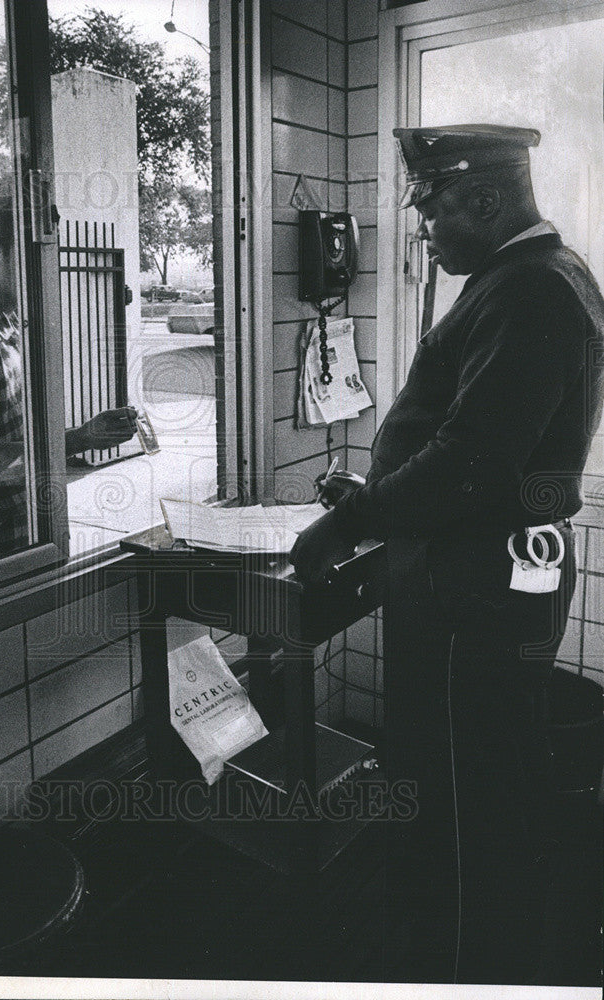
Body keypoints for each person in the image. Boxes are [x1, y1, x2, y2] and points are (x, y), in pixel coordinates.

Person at [291, 124, 604, 984]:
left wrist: (343, 526)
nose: (423, 228)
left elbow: (471, 461)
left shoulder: (529, 289)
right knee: (488, 773)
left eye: (432, 209)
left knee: (464, 791)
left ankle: (464, 964)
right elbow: (477, 443)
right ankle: (476, 943)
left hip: (473, 586)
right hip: (492, 569)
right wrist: (376, 495)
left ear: (488, 200)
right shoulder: (536, 277)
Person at [0, 201, 137, 573]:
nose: (44, 270)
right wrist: (81, 439)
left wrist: (82, 435)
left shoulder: (7, 320)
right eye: (31, 257)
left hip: (17, 524)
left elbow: (12, 432)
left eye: (47, 256)